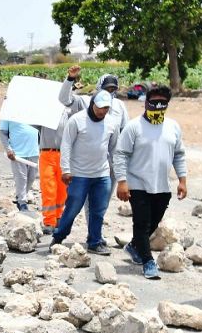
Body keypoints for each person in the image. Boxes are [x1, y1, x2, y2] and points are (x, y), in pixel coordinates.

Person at [112, 85, 188, 279]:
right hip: (137, 183)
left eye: (163, 104)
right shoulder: (133, 126)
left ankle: (135, 246)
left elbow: (179, 154)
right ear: (146, 102)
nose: (158, 107)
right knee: (142, 223)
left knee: (153, 222)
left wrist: (182, 180)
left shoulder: (173, 126)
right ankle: (148, 262)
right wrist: (122, 181)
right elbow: (121, 155)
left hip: (162, 185)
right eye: (154, 103)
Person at [54, 90, 121, 254]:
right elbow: (66, 145)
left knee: (98, 210)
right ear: (92, 104)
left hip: (102, 174)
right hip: (79, 174)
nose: (102, 111)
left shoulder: (112, 123)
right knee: (73, 208)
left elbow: (114, 150)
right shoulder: (77, 120)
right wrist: (66, 170)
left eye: (106, 108)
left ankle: (95, 242)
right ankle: (58, 237)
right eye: (100, 108)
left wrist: (120, 174)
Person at [59, 65, 127, 127]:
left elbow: (124, 128)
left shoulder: (119, 105)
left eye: (112, 90)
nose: (108, 93)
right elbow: (64, 99)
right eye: (106, 89)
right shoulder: (85, 101)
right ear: (99, 88)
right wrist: (70, 79)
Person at [0, 117, 40, 212]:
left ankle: (20, 197)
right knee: (21, 178)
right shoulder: (9, 113)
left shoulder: (34, 112)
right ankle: (22, 202)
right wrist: (8, 149)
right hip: (18, 153)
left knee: (31, 178)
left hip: (34, 151)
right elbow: (3, 133)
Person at [37, 115, 68, 235]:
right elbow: (33, 123)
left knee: (62, 189)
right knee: (48, 189)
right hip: (46, 154)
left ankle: (59, 217)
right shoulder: (45, 113)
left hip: (63, 155)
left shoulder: (68, 113)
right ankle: (49, 221)